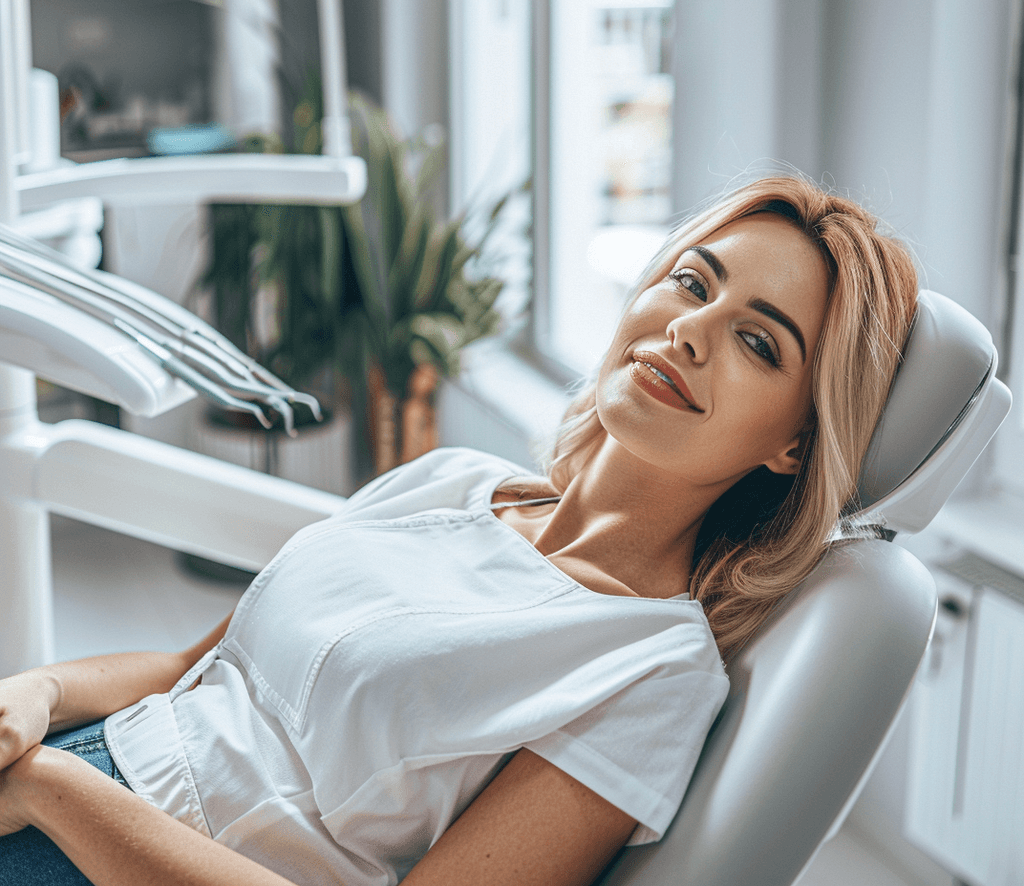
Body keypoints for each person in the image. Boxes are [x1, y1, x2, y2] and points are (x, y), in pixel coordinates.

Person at [0, 175, 919, 886]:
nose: (691, 332)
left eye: (760, 343)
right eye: (691, 283)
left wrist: (53, 788)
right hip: (70, 771)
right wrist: (35, 695)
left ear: (795, 444)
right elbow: (190, 671)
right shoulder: (454, 479)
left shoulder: (652, 669)